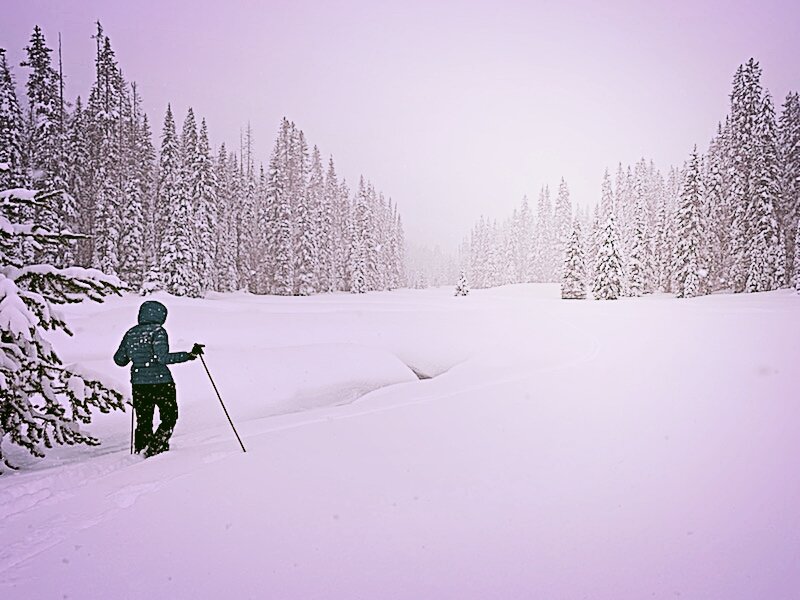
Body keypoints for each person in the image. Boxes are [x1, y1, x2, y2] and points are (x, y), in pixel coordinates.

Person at [113, 300, 201, 457]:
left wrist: (137, 356)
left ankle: (141, 450)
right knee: (169, 417)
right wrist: (189, 355)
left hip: (139, 384)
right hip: (162, 383)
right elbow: (163, 358)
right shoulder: (158, 331)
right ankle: (155, 449)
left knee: (144, 421)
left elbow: (119, 360)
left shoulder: (131, 333)